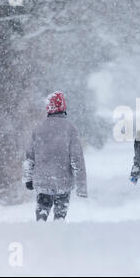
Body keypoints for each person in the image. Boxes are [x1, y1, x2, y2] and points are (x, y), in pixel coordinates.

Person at [22, 91, 87, 221]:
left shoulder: (38, 129)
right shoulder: (70, 128)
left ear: (48, 107)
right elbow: (77, 159)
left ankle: (41, 233)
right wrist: (81, 187)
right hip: (63, 182)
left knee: (42, 212)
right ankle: (57, 235)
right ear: (63, 106)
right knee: (60, 216)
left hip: (42, 181)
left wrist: (28, 179)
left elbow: (29, 157)